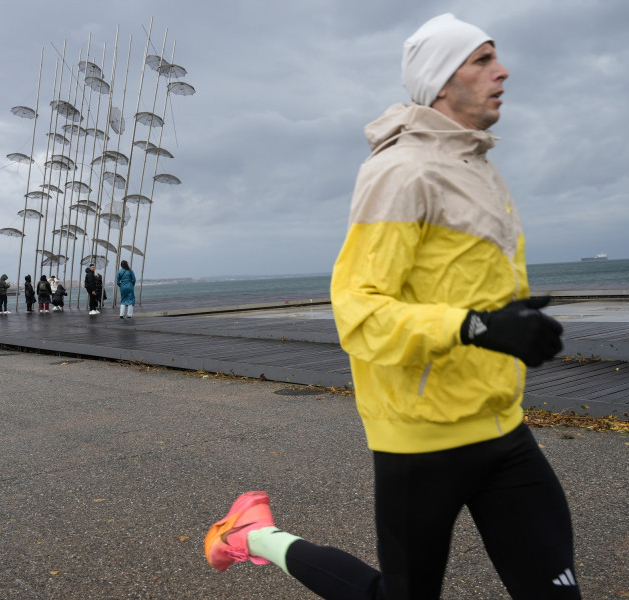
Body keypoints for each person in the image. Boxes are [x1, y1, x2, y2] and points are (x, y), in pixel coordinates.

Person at [204, 13, 578, 600]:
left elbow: (458, 285)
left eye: (495, 57)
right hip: (420, 438)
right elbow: (358, 311)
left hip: (501, 425)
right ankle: (256, 536)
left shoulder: (480, 170)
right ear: (440, 82)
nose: (502, 71)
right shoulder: (399, 171)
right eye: (481, 61)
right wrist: (478, 327)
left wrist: (514, 321)